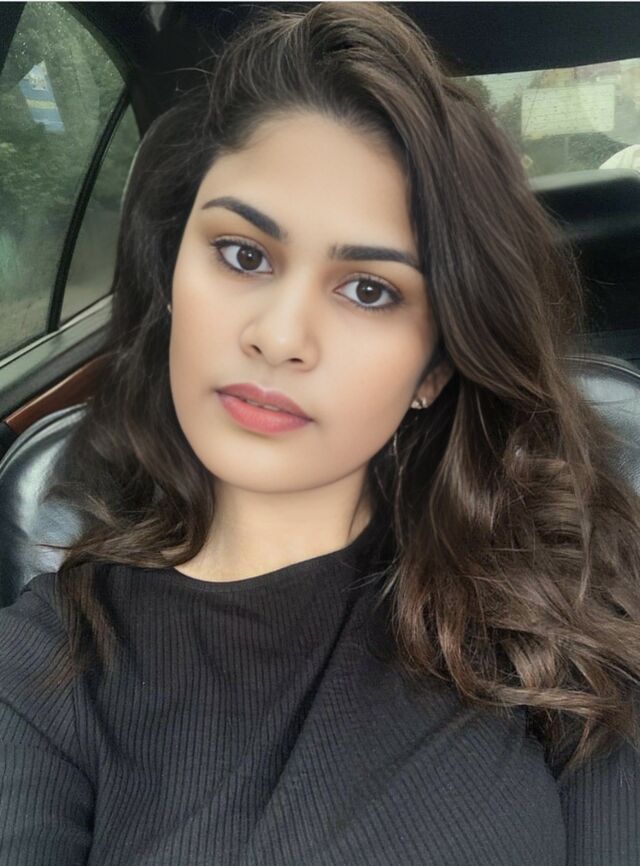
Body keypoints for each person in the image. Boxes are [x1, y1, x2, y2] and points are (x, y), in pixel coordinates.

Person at [1, 3, 639, 864]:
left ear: (435, 369)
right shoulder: (47, 665)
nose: (278, 336)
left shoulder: (560, 595)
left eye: (369, 290)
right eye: (242, 254)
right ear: (173, 279)